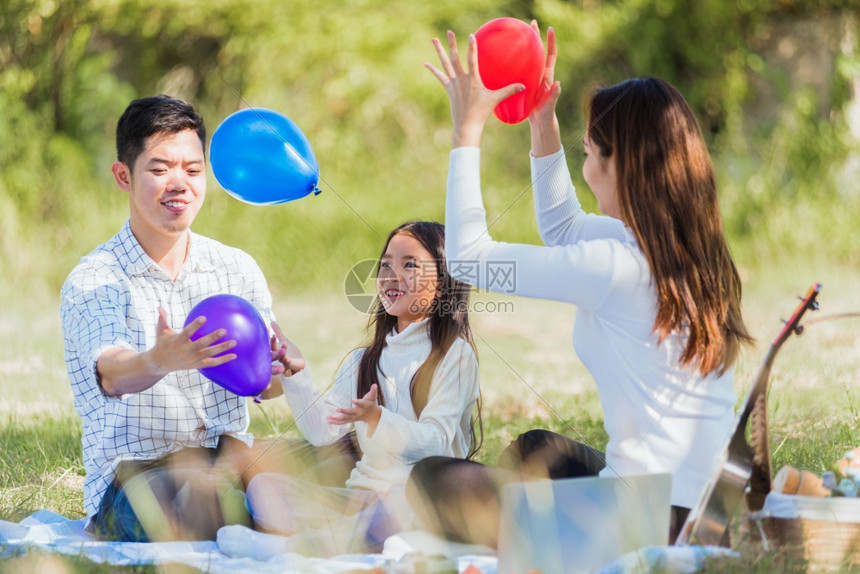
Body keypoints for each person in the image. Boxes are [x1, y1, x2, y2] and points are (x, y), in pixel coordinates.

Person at [408, 25, 753, 546]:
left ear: (623, 167)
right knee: (535, 449)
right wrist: (541, 120)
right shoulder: (684, 248)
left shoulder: (615, 266)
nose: (586, 166)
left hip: (654, 525)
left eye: (590, 153)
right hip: (711, 514)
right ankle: (532, 528)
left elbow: (470, 261)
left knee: (429, 478)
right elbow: (564, 229)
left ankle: (531, 541)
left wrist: (466, 133)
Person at [60, 95, 305, 542]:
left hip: (232, 459)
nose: (180, 184)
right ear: (123, 175)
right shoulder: (95, 279)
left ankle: (264, 520)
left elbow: (263, 385)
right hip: (138, 477)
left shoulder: (236, 267)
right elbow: (112, 373)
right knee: (200, 501)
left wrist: (283, 367)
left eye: (193, 171)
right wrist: (158, 360)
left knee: (341, 463)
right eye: (159, 169)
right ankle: (259, 530)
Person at [218, 220, 481, 558]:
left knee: (399, 509)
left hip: (416, 497)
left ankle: (289, 546)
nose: (391, 274)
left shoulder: (455, 355)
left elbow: (438, 443)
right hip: (359, 500)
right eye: (385, 263)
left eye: (409, 265)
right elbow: (323, 432)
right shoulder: (363, 360)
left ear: (443, 286)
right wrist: (297, 374)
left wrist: (378, 420)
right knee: (264, 487)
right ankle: (340, 537)